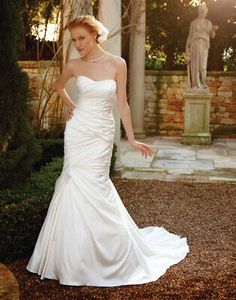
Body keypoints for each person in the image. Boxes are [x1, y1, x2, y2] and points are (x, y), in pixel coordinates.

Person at [26, 15, 189, 287]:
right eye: (74, 39)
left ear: (95, 35)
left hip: (102, 132)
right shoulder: (73, 65)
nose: (77, 44)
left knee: (97, 185)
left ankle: (108, 255)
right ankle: (69, 257)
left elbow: (122, 104)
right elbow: (58, 86)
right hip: (78, 130)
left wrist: (132, 140)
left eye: (82, 38)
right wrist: (70, 104)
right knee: (74, 182)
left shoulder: (117, 64)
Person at [185, 4, 218, 89]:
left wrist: (213, 30)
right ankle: (195, 84)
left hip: (204, 45)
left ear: (206, 12)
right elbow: (190, 35)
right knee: (194, 66)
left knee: (202, 66)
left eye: (204, 11)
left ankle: (202, 83)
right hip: (194, 45)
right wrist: (186, 47)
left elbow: (212, 36)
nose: (203, 12)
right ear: (199, 11)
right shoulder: (193, 23)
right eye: (201, 10)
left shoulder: (208, 23)